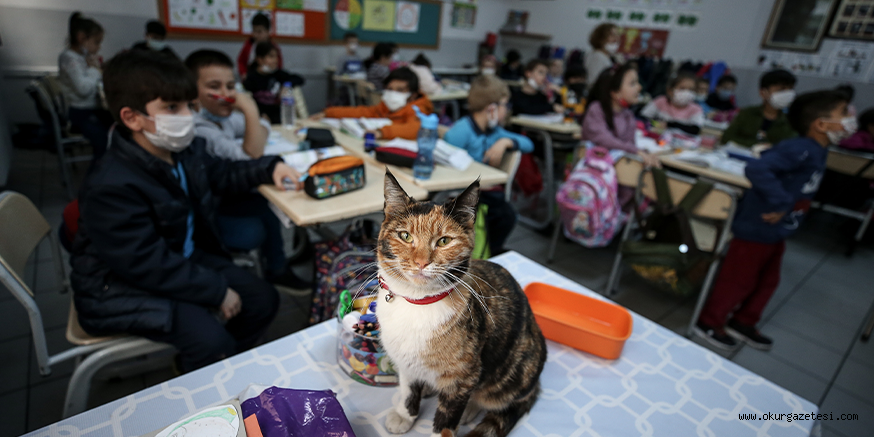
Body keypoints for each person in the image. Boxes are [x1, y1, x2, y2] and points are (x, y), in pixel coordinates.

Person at [70, 50, 302, 373]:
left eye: (189, 106)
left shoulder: (181, 151)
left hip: (179, 258)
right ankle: (211, 366)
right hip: (118, 286)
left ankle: (213, 366)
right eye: (171, 108)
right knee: (210, 340)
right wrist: (216, 290)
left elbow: (222, 173)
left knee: (263, 300)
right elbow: (145, 264)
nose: (188, 116)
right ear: (132, 117)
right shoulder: (111, 184)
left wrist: (271, 167)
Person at [695, 90, 854, 350]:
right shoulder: (800, 148)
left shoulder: (819, 149)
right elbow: (758, 168)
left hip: (778, 230)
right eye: (844, 113)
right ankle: (709, 321)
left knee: (768, 280)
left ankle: (743, 322)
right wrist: (781, 202)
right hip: (758, 225)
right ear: (821, 124)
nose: (850, 119)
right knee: (739, 278)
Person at [187, 49, 310, 290]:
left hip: (223, 194)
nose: (226, 94)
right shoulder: (198, 128)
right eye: (215, 86)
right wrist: (250, 109)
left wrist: (255, 122)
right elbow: (252, 152)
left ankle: (279, 266)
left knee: (268, 204)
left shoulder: (219, 117)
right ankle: (276, 267)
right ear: (192, 93)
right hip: (208, 214)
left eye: (231, 86)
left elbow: (260, 128)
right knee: (267, 204)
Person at [444, 75, 533, 254]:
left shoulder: (496, 132)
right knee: (502, 215)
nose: (507, 110)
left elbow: (528, 144)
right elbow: (445, 160)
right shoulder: (462, 130)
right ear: (491, 108)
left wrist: (506, 141)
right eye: (505, 105)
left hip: (483, 190)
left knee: (505, 215)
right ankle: (486, 251)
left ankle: (489, 250)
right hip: (458, 190)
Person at [313, 67, 434, 140]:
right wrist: (328, 113)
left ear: (413, 94)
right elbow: (361, 111)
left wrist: (381, 132)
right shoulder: (386, 107)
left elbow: (413, 129)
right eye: (390, 89)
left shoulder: (419, 109)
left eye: (400, 90)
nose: (393, 94)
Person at [58, 12, 114, 160]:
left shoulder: (81, 58)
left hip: (90, 108)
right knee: (102, 141)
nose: (99, 47)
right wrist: (95, 70)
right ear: (82, 38)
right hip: (80, 112)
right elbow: (83, 89)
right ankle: (98, 176)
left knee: (117, 126)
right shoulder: (69, 58)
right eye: (97, 42)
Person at [581, 63, 660, 168]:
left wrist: (642, 152)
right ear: (615, 93)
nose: (639, 87)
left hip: (619, 172)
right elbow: (604, 140)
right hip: (594, 171)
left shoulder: (628, 115)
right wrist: (636, 151)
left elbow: (630, 146)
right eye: (632, 84)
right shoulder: (596, 109)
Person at [721, 69, 797, 147]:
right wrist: (756, 145)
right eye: (782, 89)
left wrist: (771, 147)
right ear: (763, 92)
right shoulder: (747, 113)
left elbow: (790, 148)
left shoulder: (790, 122)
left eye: (790, 89)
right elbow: (726, 137)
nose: (787, 94)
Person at [243, 42, 306, 124]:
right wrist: (260, 114)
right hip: (260, 118)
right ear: (259, 59)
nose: (275, 60)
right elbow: (248, 100)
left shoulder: (278, 74)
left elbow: (300, 79)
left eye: (276, 57)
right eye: (271, 57)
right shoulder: (252, 78)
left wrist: (285, 85)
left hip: (279, 117)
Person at [640, 73, 705, 134]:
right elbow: (642, 117)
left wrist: (669, 124)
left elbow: (696, 130)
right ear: (670, 90)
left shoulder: (696, 109)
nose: (687, 93)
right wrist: (657, 124)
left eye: (691, 90)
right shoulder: (660, 101)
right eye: (682, 88)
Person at [237, 13, 282, 79]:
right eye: (254, 31)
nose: (255, 35)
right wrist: (243, 73)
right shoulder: (249, 46)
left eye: (259, 32)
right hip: (251, 79)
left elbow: (279, 66)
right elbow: (241, 61)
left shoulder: (274, 48)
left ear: (267, 32)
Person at [585, 23, 620, 92]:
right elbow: (593, 82)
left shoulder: (608, 56)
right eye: (612, 35)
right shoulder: (597, 56)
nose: (616, 38)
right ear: (601, 38)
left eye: (617, 35)